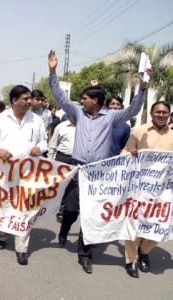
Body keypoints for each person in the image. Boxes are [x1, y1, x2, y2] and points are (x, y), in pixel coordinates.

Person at [48, 49, 151, 274]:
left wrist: (142, 89)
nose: (81, 100)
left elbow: (134, 108)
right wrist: (52, 72)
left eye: (85, 98)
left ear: (95, 100)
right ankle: (64, 229)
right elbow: (60, 97)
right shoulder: (78, 112)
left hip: (99, 173)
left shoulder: (112, 116)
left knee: (91, 213)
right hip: (78, 168)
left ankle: (85, 253)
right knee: (72, 209)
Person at [0, 85, 48, 265]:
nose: (29, 101)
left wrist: (41, 148)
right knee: (4, 203)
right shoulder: (0, 119)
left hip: (28, 173)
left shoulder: (36, 120)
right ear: (14, 101)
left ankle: (21, 247)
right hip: (5, 171)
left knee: (25, 207)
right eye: (25, 98)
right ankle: (1, 234)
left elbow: (44, 140)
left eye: (30, 98)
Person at [122, 101, 173, 278]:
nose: (161, 115)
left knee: (161, 225)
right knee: (135, 223)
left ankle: (144, 251)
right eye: (158, 112)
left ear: (168, 115)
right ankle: (131, 259)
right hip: (139, 188)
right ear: (151, 113)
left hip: (162, 192)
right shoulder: (139, 131)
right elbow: (126, 152)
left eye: (165, 112)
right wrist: (132, 152)